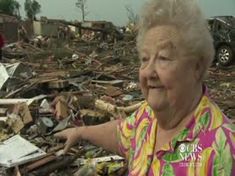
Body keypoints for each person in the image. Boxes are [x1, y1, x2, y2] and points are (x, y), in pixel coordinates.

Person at [55, 0, 235, 175]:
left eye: (163, 58)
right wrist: (80, 132)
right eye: (144, 59)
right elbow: (121, 135)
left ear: (197, 66)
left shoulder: (223, 149)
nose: (148, 72)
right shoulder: (146, 117)